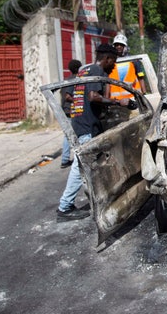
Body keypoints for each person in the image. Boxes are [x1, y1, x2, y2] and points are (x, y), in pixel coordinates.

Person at [56, 43, 134, 222]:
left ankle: (99, 197)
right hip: (87, 125)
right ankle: (65, 206)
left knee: (92, 163)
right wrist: (118, 103)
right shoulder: (97, 70)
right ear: (106, 58)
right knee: (81, 164)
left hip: (78, 120)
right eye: (113, 61)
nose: (114, 65)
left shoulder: (85, 70)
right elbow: (93, 97)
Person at [59, 59, 82, 169]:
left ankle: (65, 159)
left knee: (68, 135)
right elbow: (68, 97)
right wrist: (78, 101)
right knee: (75, 135)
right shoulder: (77, 80)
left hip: (65, 111)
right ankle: (71, 158)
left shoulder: (65, 81)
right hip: (73, 111)